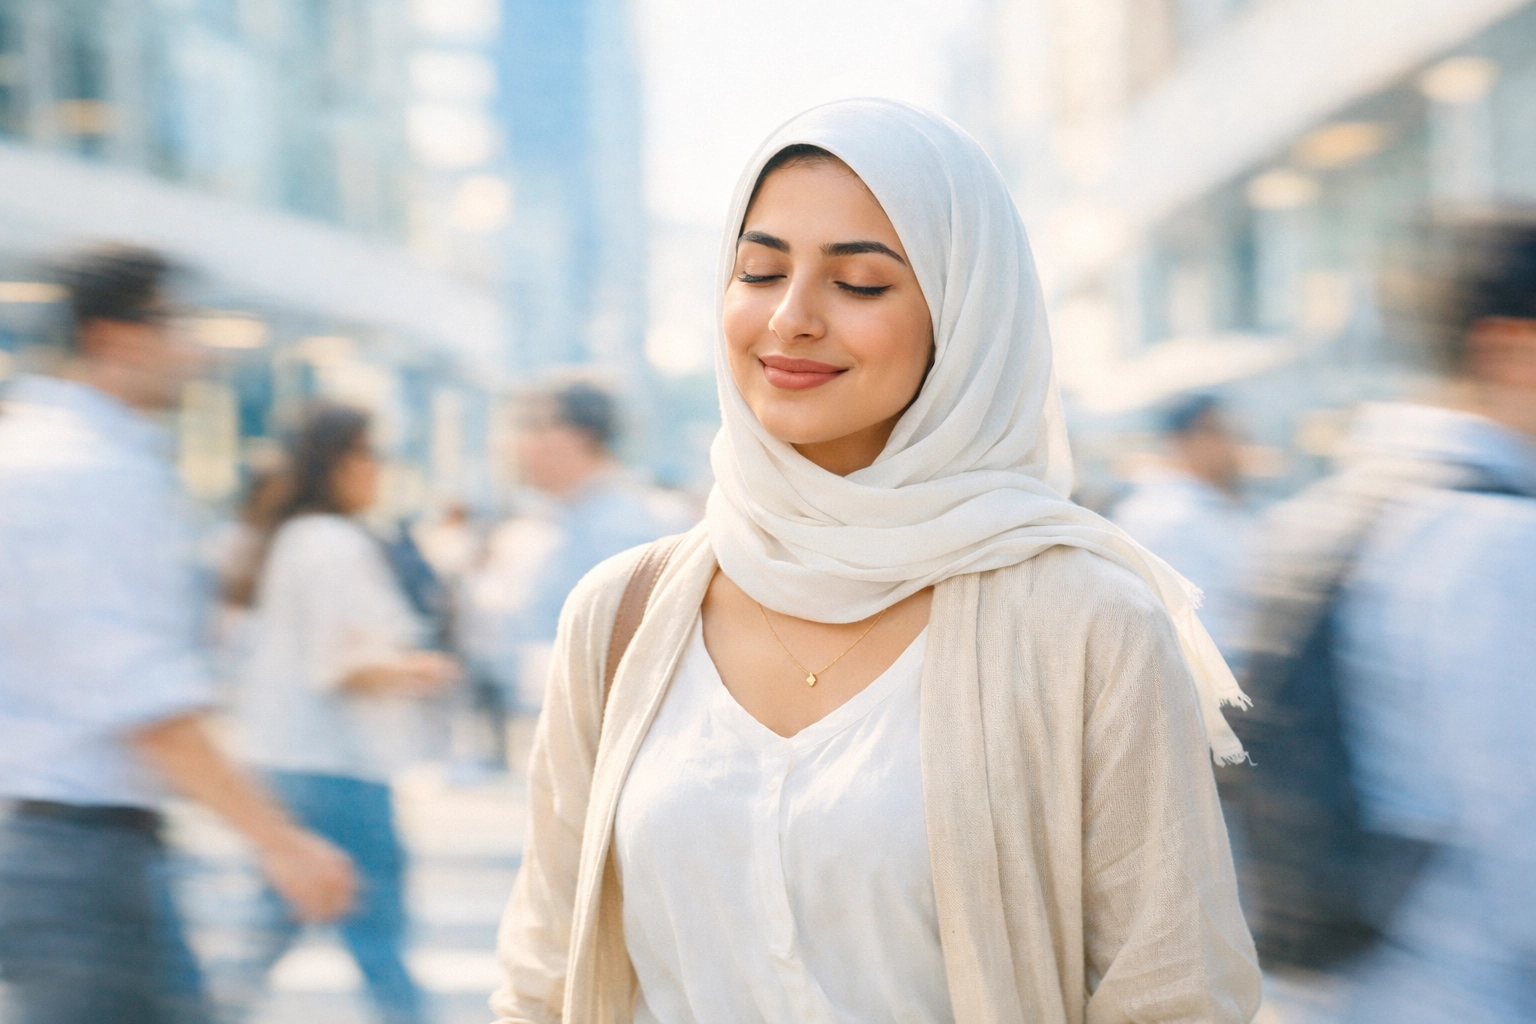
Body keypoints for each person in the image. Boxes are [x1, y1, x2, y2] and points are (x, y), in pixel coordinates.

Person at [491, 100, 1258, 1024]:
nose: (790, 317)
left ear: (961, 319)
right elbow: (544, 978)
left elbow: (1174, 992)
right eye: (760, 270)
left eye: (859, 283)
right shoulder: (623, 613)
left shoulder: (1084, 622)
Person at [0, 246, 355, 1023]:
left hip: (54, 843)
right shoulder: (89, 474)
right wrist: (280, 840)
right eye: (179, 326)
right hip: (82, 854)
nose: (197, 351)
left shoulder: (35, 452)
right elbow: (139, 693)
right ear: (116, 336)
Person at [1244, 217, 1536, 1024]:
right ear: (1512, 349)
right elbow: (1524, 845)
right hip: (1463, 988)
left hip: (1322, 980)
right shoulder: (1499, 539)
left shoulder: (1326, 511)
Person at [236, 404, 460, 1024]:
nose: (381, 470)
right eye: (372, 454)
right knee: (380, 942)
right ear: (342, 463)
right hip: (341, 768)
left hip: (290, 760)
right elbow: (339, 664)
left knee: (268, 933)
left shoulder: (295, 537)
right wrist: (421, 670)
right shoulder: (333, 543)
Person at [473, 380, 681, 715]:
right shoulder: (541, 524)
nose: (515, 444)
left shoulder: (635, 525)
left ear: (578, 436)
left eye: (530, 427)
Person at [1113, 394, 1252, 659]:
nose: (1231, 445)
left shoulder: (1209, 507)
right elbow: (1195, 634)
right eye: (1218, 432)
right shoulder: (1169, 518)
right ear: (1182, 440)